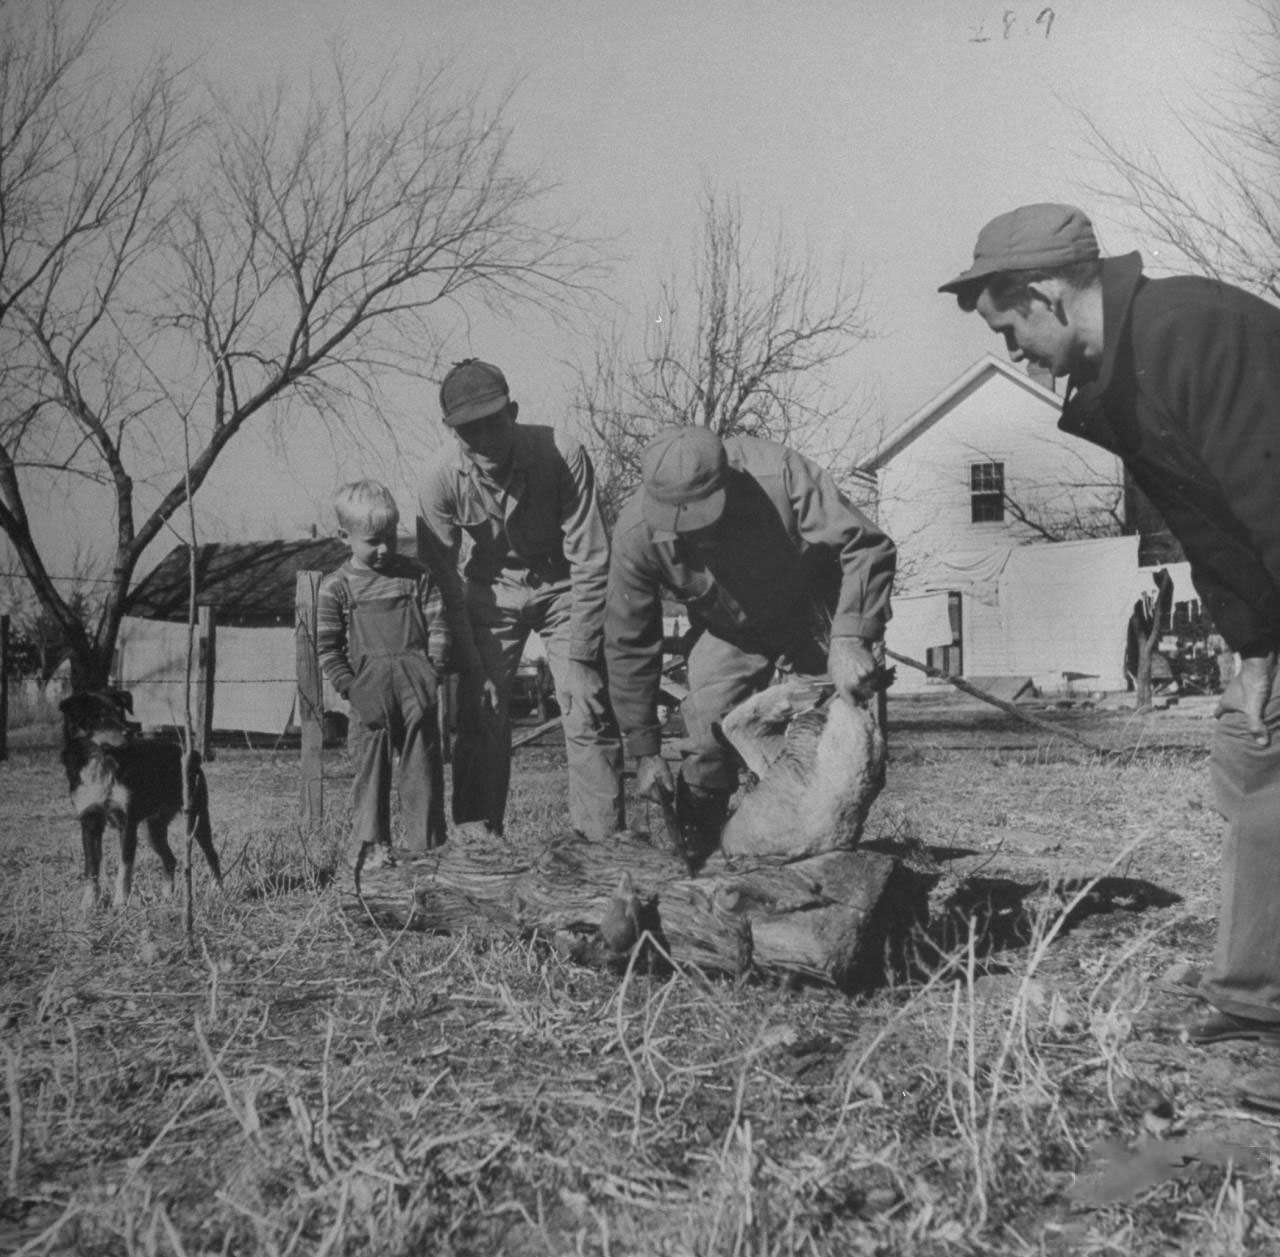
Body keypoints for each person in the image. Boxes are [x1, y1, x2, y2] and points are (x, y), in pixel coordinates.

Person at [940, 202, 1280, 1105]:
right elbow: (1218, 531)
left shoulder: (1187, 333)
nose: (1012, 347)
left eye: (1010, 325)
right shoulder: (1120, 375)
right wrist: (1254, 653)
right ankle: (1255, 1003)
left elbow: (1273, 499)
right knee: (1251, 758)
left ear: (1046, 293)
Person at [605, 425, 896, 855]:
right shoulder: (635, 535)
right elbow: (628, 643)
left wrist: (851, 637)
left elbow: (866, 545)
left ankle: (829, 861)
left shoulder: (780, 474)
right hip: (730, 629)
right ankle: (705, 861)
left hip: (815, 611)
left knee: (846, 749)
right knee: (705, 741)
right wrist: (646, 751)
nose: (696, 536)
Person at [416, 358, 625, 841]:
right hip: (490, 590)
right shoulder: (439, 479)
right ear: (451, 431)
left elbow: (592, 559)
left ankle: (601, 846)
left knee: (585, 702)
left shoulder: (562, 454)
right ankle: (479, 843)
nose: (484, 440)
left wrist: (583, 653)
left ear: (513, 411)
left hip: (565, 584)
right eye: (469, 431)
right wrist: (471, 660)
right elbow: (442, 580)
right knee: (480, 710)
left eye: (493, 423)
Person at [317, 480, 450, 866]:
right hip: (368, 699)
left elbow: (439, 624)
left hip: (417, 695)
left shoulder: (416, 576)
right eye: (373, 540)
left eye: (391, 537)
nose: (385, 548)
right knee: (370, 783)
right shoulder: (336, 588)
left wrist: (432, 671)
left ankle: (429, 862)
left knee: (423, 781)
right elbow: (328, 649)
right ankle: (371, 865)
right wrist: (351, 689)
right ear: (345, 536)